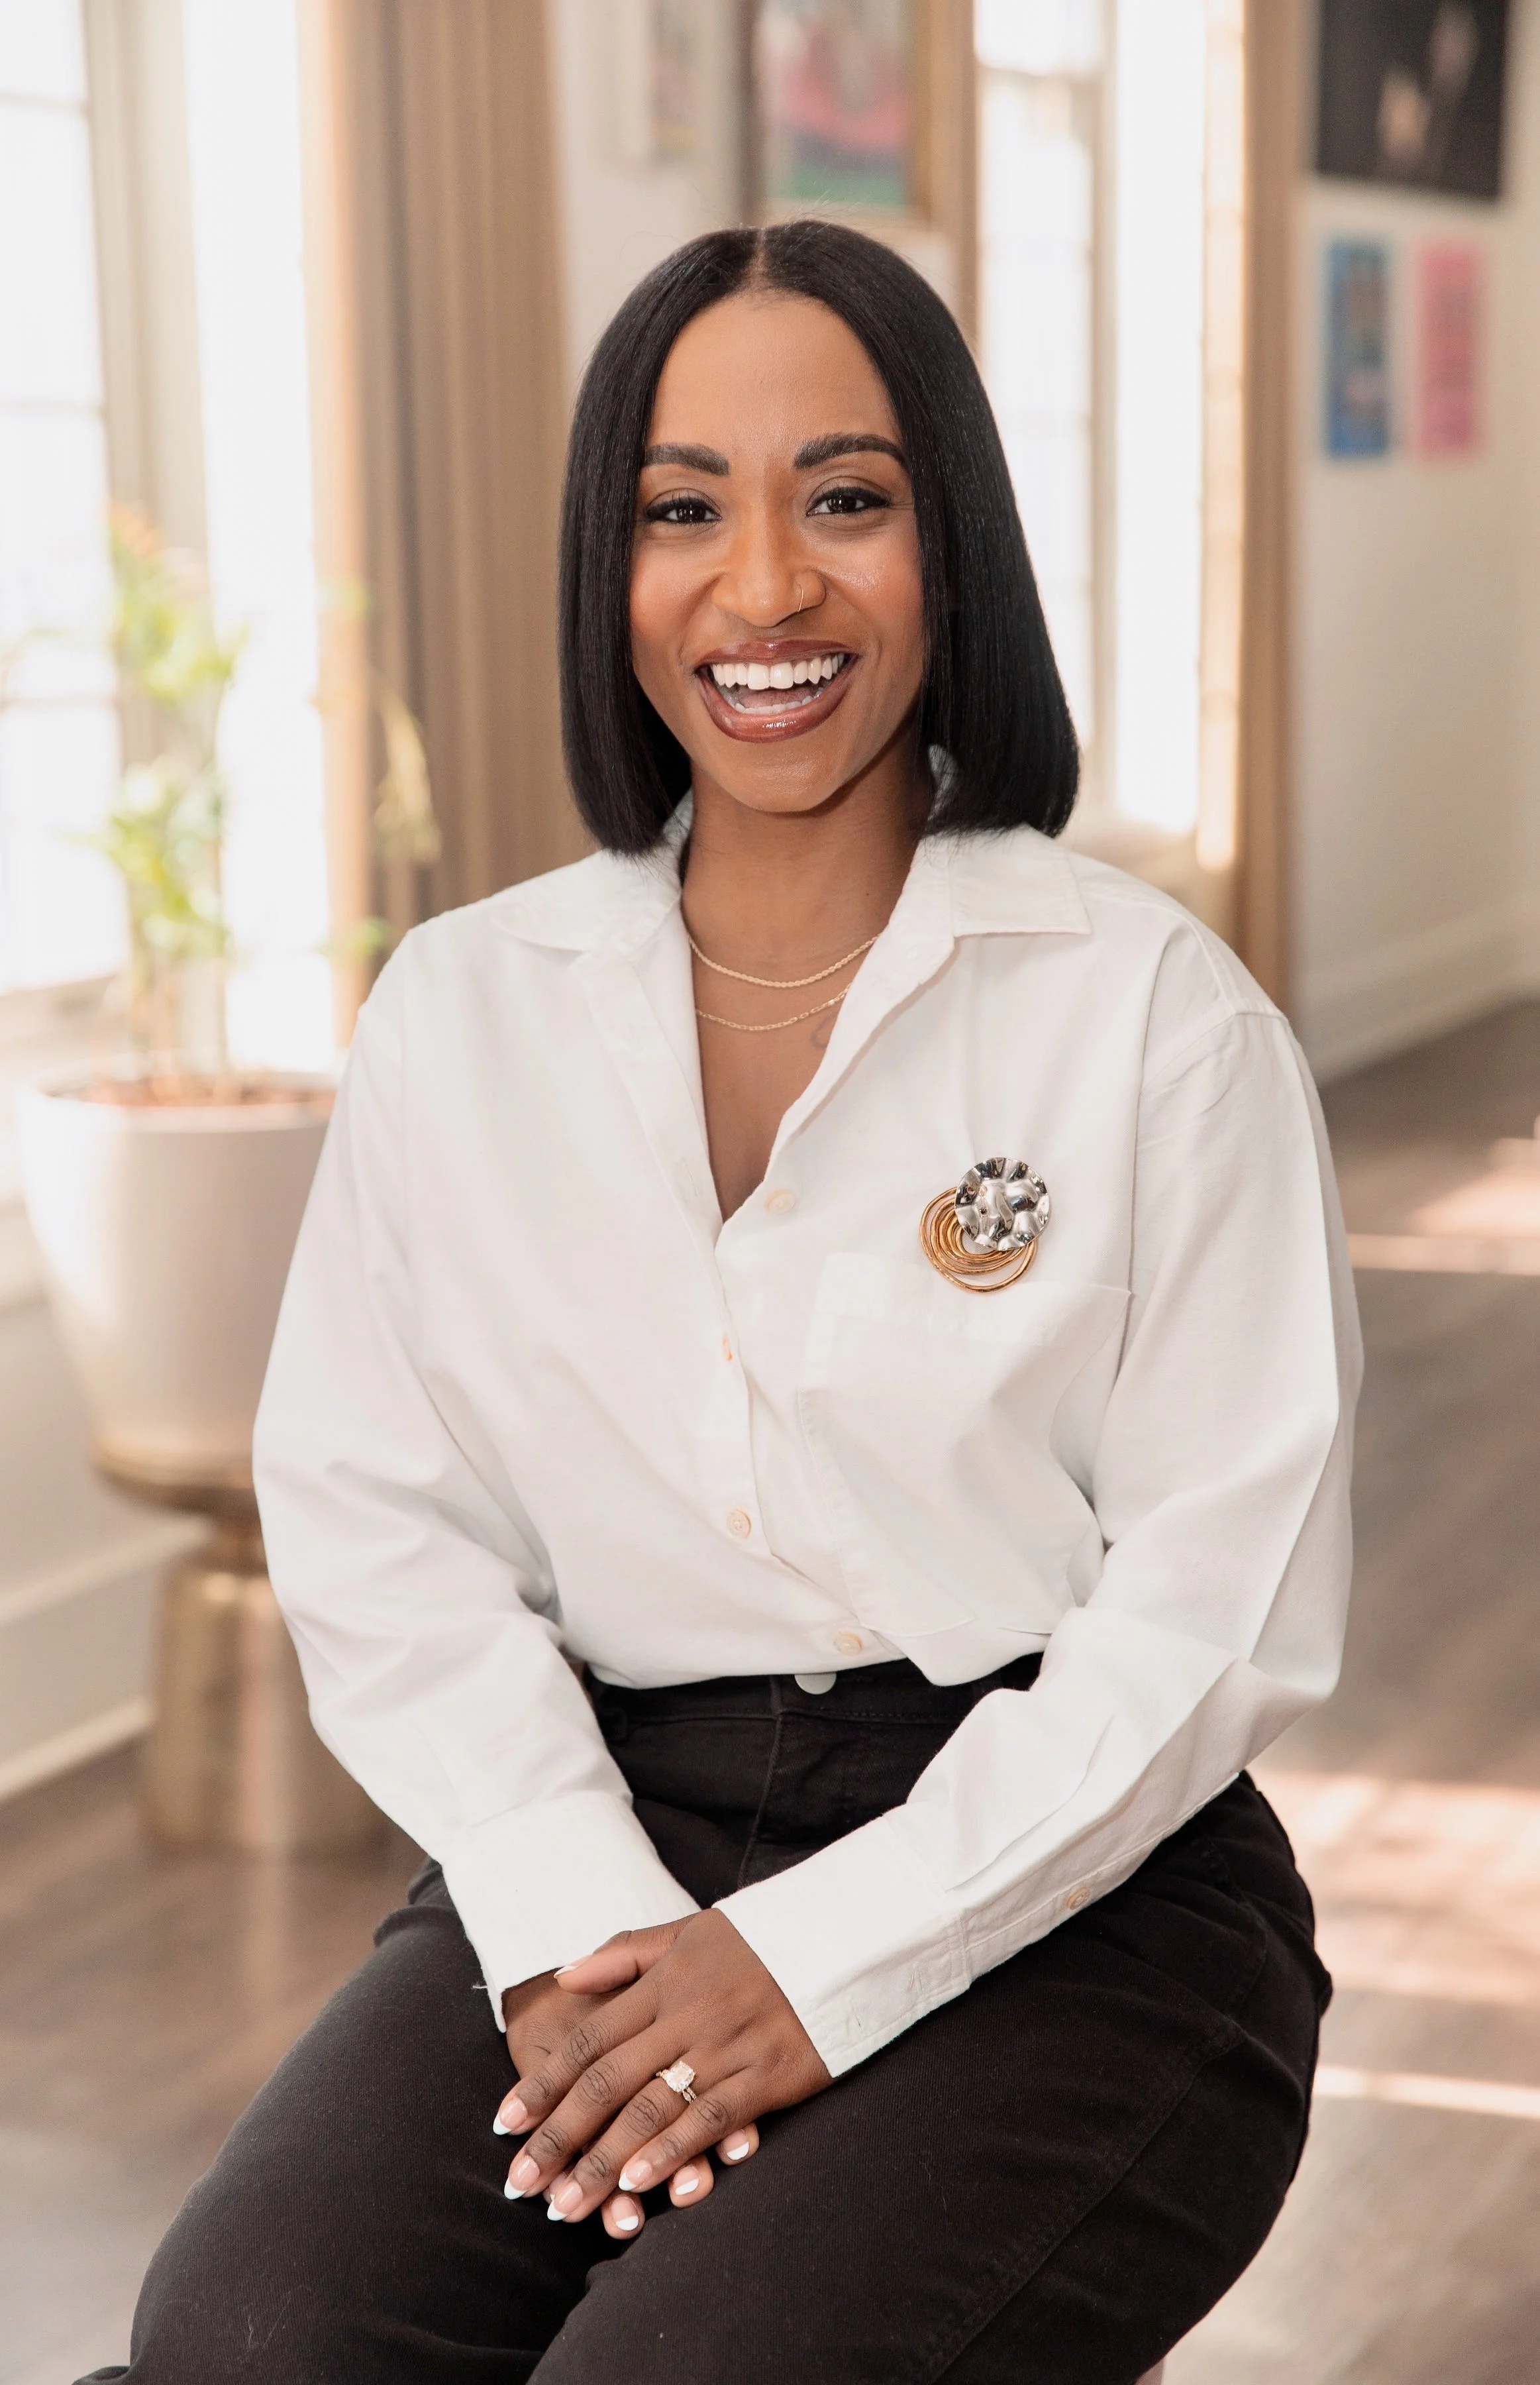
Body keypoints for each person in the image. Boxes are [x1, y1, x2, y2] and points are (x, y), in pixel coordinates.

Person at [83, 220, 1360, 2384]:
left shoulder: (1153, 1021)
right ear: (611, 566)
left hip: (1075, 1871)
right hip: (614, 1816)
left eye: (843, 500)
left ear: (945, 547)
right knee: (232, 2348)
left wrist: (814, 1962)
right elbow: (382, 1528)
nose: (763, 589)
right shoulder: (462, 1013)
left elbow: (1210, 1611)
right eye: (685, 509)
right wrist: (592, 1923)